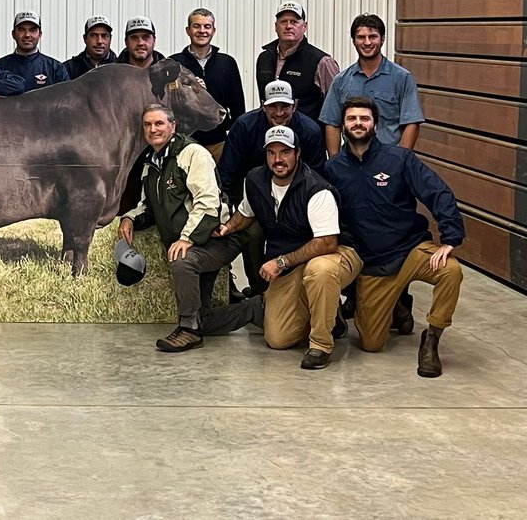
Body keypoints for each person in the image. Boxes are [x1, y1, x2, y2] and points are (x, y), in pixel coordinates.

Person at [324, 97, 465, 378]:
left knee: (451, 271)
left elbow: (438, 192)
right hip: (374, 264)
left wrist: (450, 238)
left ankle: (432, 338)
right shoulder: (333, 169)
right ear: (343, 125)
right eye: (352, 119)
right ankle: (397, 302)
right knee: (371, 343)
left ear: (375, 124)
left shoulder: (400, 159)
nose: (358, 123)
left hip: (411, 249)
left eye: (364, 118)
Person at [118, 104, 263, 354]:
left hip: (218, 239)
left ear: (173, 126)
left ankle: (189, 332)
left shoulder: (193, 153)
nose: (153, 129)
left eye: (159, 123)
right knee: (201, 316)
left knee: (182, 260)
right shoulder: (150, 164)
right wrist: (129, 218)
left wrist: (186, 238)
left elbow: (208, 202)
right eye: (147, 125)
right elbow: (149, 207)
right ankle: (257, 309)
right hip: (196, 243)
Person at [216, 126, 362, 370]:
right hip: (295, 262)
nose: (278, 159)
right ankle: (327, 313)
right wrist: (227, 228)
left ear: (297, 153)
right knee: (277, 339)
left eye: (285, 152)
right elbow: (246, 213)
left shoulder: (316, 189)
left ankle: (321, 344)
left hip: (335, 254)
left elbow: (327, 242)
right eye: (271, 153)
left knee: (320, 270)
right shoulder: (255, 180)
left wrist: (281, 262)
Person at [218, 80, 326, 296]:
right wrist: (225, 210)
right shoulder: (244, 126)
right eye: (272, 106)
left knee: (297, 232)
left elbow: (318, 178)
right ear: (262, 105)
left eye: (285, 106)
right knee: (252, 234)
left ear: (295, 105)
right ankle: (260, 291)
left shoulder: (311, 131)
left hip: (297, 196)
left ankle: (297, 289)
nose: (279, 112)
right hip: (256, 195)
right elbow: (227, 173)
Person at [320, 14, 424, 156]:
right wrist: (335, 162)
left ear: (382, 40)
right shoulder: (340, 81)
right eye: (361, 37)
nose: (367, 42)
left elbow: (412, 124)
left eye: (373, 36)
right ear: (354, 41)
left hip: (389, 160)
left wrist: (400, 161)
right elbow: (332, 123)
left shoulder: (402, 78)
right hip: (351, 161)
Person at [168, 8, 245, 161]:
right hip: (184, 143)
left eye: (207, 26)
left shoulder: (227, 63)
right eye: (196, 26)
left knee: (220, 177)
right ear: (188, 30)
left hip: (219, 143)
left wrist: (233, 135)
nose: (202, 31)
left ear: (213, 31)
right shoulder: (174, 63)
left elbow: (238, 106)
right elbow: (168, 102)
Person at [255, 1, 339, 122]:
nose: (288, 26)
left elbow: (335, 107)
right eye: (283, 21)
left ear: (305, 26)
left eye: (294, 22)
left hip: (306, 132)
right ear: (276, 26)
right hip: (269, 132)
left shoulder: (322, 62)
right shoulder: (264, 58)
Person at [0, 11, 69, 92]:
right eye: (21, 30)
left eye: (32, 30)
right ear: (13, 34)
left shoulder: (55, 68)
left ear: (40, 34)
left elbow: (66, 97)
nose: (27, 35)